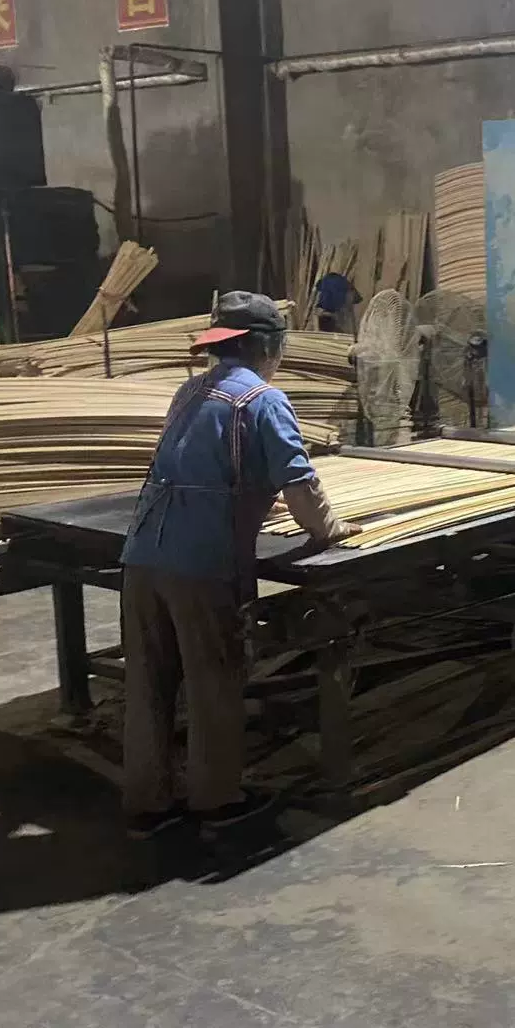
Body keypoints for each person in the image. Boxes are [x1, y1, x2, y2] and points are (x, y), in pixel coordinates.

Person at [119, 292, 356, 839]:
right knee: (213, 680)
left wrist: (248, 494)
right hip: (202, 564)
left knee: (149, 679)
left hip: (143, 555)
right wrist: (330, 529)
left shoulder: (188, 391)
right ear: (269, 348)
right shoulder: (263, 399)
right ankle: (216, 799)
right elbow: (300, 483)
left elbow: (196, 467)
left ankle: (147, 803)